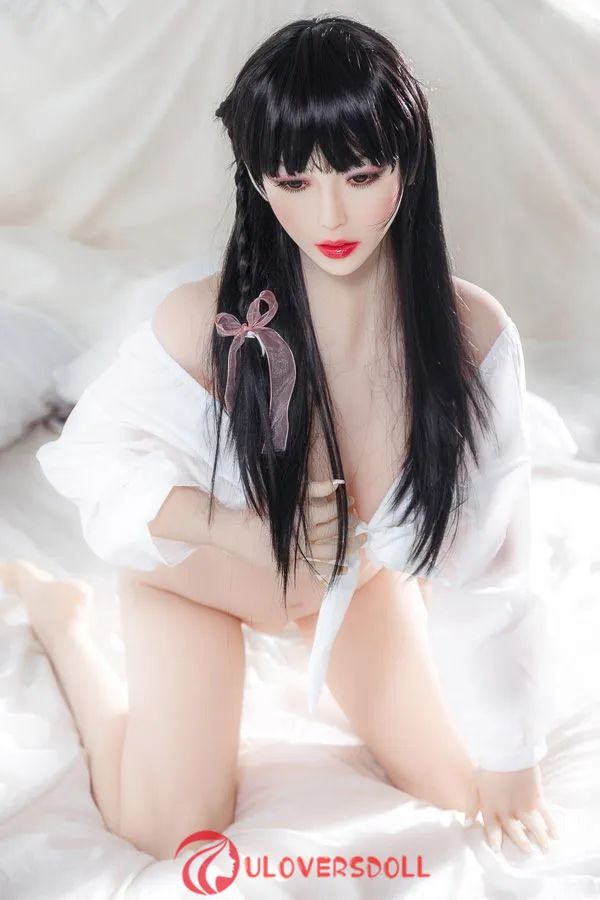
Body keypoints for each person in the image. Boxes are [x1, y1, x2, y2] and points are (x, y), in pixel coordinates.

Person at [1, 14, 557, 861]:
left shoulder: (471, 335)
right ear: (259, 180)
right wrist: (234, 531)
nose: (330, 213)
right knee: (168, 829)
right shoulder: (208, 323)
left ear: (408, 163)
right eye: (295, 180)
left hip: (345, 584)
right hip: (203, 581)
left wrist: (513, 757)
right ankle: (64, 620)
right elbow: (92, 461)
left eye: (361, 174)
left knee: (462, 790)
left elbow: (495, 557)